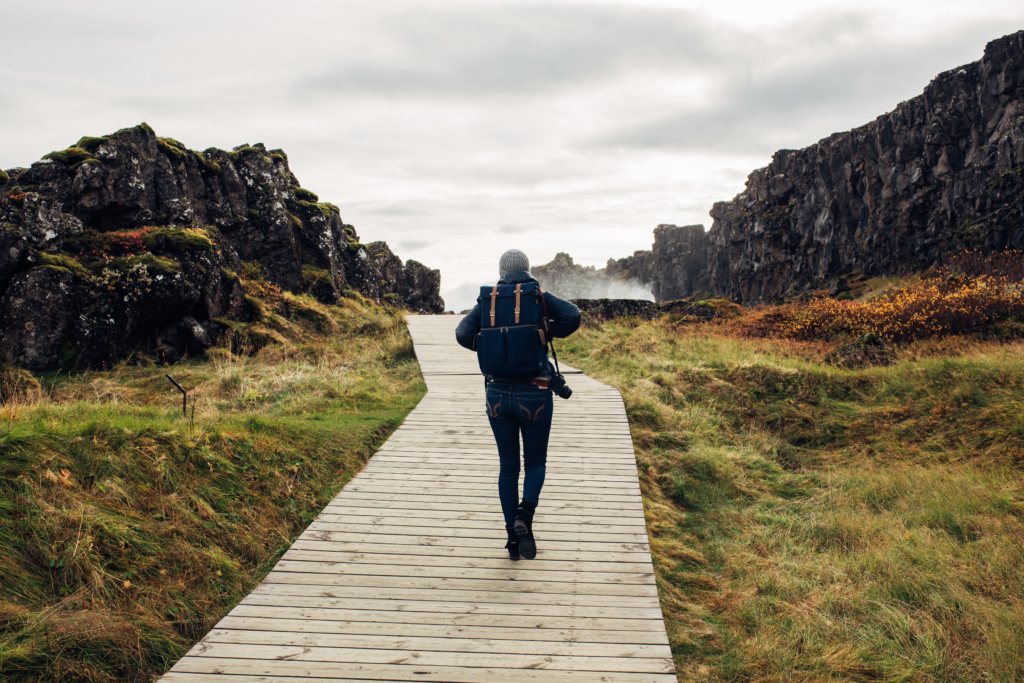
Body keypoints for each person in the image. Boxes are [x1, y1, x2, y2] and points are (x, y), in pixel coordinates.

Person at [455, 249, 581, 561]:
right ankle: (525, 513)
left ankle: (513, 539)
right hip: (535, 393)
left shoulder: (490, 299)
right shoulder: (536, 294)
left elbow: (462, 333)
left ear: (501, 271)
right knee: (535, 462)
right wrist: (544, 331)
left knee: (508, 467)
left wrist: (490, 343)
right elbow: (572, 316)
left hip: (497, 394)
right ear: (526, 270)